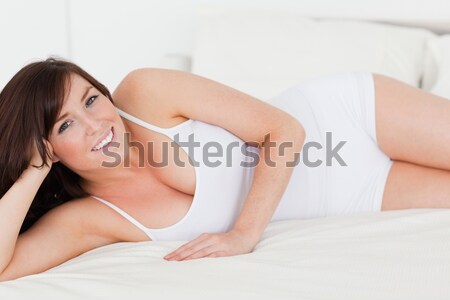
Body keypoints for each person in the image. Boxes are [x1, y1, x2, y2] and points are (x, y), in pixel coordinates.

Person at [0, 57, 449, 282]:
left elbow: (284, 129)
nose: (98, 123)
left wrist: (243, 233)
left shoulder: (144, 94)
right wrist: (33, 172)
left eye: (91, 99)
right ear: (47, 147)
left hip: (347, 120)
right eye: (66, 123)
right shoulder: (91, 218)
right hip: (353, 196)